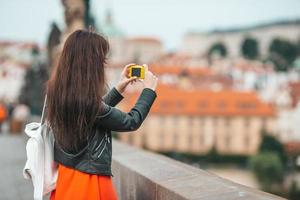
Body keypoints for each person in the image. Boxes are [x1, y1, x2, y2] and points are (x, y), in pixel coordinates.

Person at [46, 30, 158, 200]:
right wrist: (148, 91)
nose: (103, 65)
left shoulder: (59, 94)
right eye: (101, 60)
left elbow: (91, 115)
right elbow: (131, 121)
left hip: (66, 177)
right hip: (90, 182)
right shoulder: (87, 102)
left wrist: (118, 89)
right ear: (91, 65)